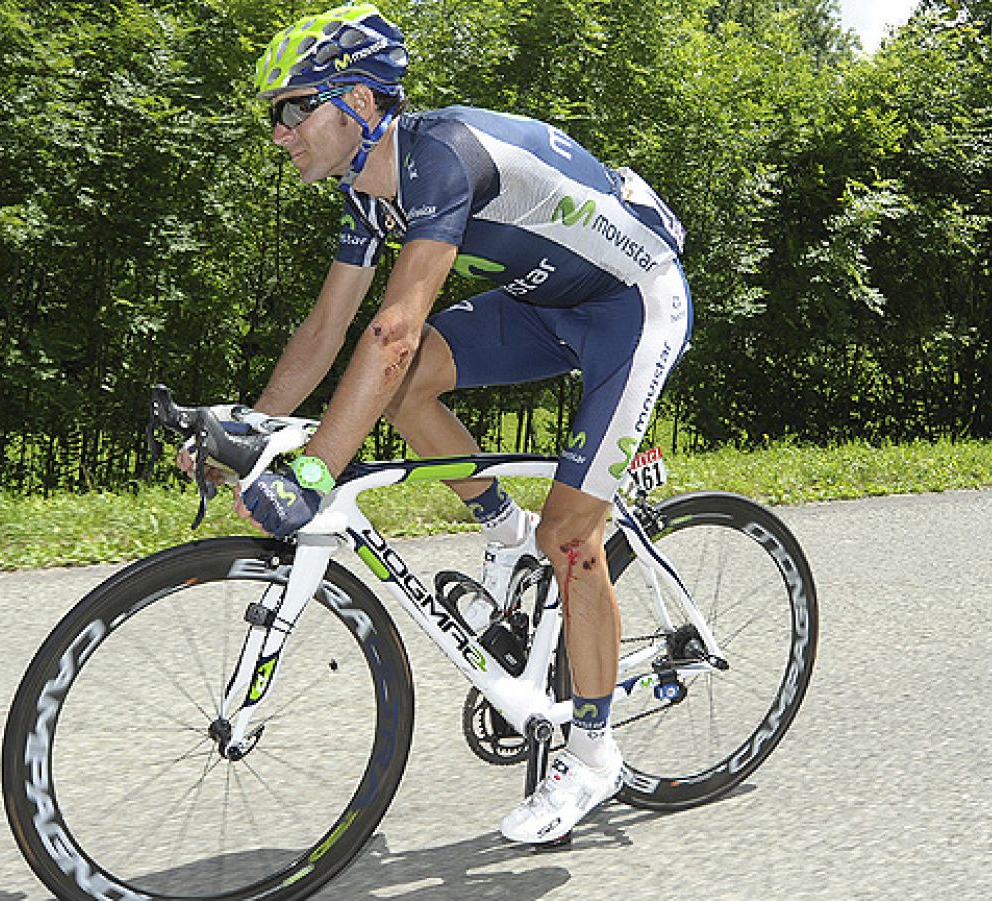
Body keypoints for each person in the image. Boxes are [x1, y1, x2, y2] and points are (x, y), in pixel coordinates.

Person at [224, 3, 692, 844]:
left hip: (634, 307)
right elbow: (325, 331)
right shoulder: (368, 193)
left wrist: (315, 471)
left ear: (358, 102)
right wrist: (251, 432)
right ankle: (503, 529)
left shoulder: (439, 157)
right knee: (405, 393)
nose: (280, 132)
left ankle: (592, 757)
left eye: (293, 108)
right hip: (542, 306)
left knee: (571, 539)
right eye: (274, 116)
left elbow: (392, 333)